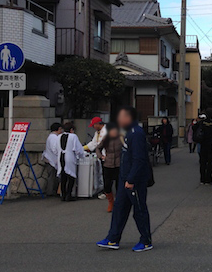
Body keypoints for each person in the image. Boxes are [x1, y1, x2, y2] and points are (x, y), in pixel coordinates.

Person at [97, 106, 153, 252]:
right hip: (124, 178)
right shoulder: (127, 132)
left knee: (139, 210)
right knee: (119, 208)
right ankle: (112, 238)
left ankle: (146, 240)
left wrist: (132, 179)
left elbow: (139, 159)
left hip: (134, 180)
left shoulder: (136, 133)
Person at [96, 123, 122, 213]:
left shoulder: (121, 139)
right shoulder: (106, 139)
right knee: (107, 185)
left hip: (119, 164)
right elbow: (98, 148)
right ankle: (111, 202)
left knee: (119, 185)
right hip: (108, 164)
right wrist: (101, 156)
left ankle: (119, 203)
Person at [57, 122, 86, 202]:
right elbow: (78, 149)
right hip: (69, 157)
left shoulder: (59, 136)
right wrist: (81, 156)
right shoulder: (73, 136)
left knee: (63, 177)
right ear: (71, 129)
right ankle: (68, 195)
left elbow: (56, 148)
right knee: (71, 176)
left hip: (60, 157)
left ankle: (63, 195)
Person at [194, 113, 212, 184]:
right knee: (211, 162)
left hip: (203, 144)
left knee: (202, 162)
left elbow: (194, 128)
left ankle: (202, 178)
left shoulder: (201, 123)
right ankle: (208, 177)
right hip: (211, 145)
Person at [42, 122, 63, 196]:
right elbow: (54, 149)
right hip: (51, 159)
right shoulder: (54, 137)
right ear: (58, 129)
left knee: (53, 176)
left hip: (50, 158)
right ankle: (50, 192)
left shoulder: (51, 136)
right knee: (52, 176)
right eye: (60, 129)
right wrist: (60, 153)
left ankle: (52, 191)